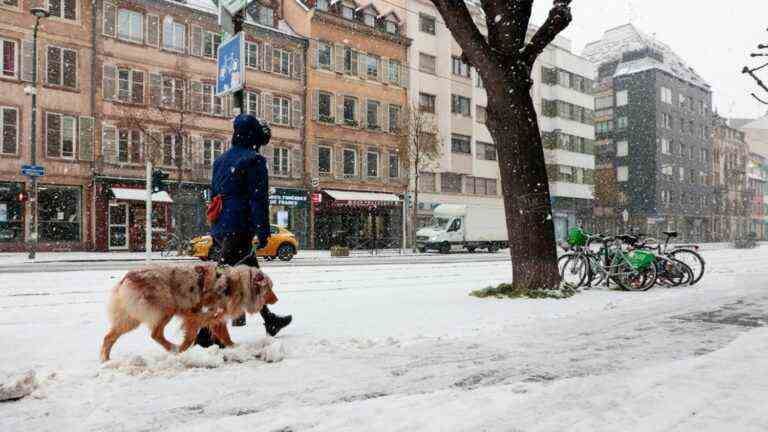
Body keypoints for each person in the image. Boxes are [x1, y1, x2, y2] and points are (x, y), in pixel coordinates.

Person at [196, 114, 292, 347]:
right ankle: (206, 333)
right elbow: (258, 198)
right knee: (226, 281)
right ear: (254, 137)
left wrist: (219, 225)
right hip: (240, 226)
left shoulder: (220, 160)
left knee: (251, 276)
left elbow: (213, 194)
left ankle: (269, 319)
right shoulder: (254, 161)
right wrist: (263, 230)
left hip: (220, 226)